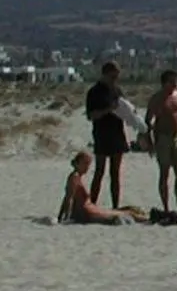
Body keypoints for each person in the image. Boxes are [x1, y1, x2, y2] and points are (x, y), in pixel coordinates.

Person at [145, 69, 177, 219]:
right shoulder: (156, 99)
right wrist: (149, 141)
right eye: (172, 81)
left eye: (176, 81)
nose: (175, 84)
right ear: (165, 83)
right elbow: (147, 121)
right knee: (164, 173)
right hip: (163, 137)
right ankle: (166, 207)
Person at [85, 61, 130, 208]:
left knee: (115, 173)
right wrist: (108, 110)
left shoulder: (117, 91)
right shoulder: (94, 92)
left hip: (117, 133)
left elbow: (125, 110)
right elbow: (91, 115)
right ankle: (92, 203)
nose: (115, 79)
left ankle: (115, 205)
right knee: (99, 171)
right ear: (105, 74)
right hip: (102, 134)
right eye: (113, 76)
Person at [58, 150, 146, 224]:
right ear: (78, 163)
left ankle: (148, 218)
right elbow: (69, 198)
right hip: (88, 214)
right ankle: (149, 219)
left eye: (88, 164)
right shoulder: (74, 177)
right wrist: (66, 218)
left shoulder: (76, 177)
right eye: (85, 164)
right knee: (125, 214)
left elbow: (67, 197)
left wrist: (60, 216)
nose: (87, 167)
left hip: (91, 210)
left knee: (128, 210)